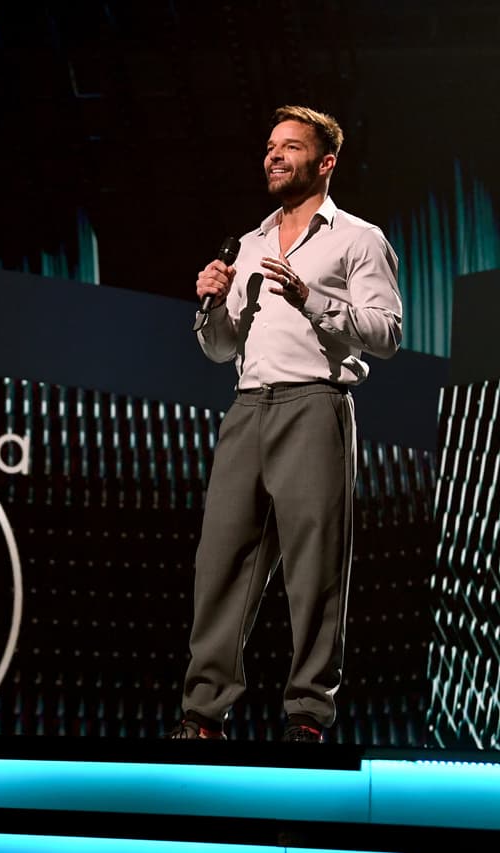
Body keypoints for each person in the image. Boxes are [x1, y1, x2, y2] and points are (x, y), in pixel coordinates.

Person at [171, 105, 402, 742]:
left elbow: (387, 334)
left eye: (290, 147)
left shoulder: (358, 239)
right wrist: (211, 305)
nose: (274, 156)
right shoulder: (245, 245)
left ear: (325, 163)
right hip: (247, 409)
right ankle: (202, 715)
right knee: (219, 563)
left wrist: (313, 299)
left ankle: (308, 716)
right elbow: (220, 349)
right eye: (270, 146)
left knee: (315, 567)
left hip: (314, 405)